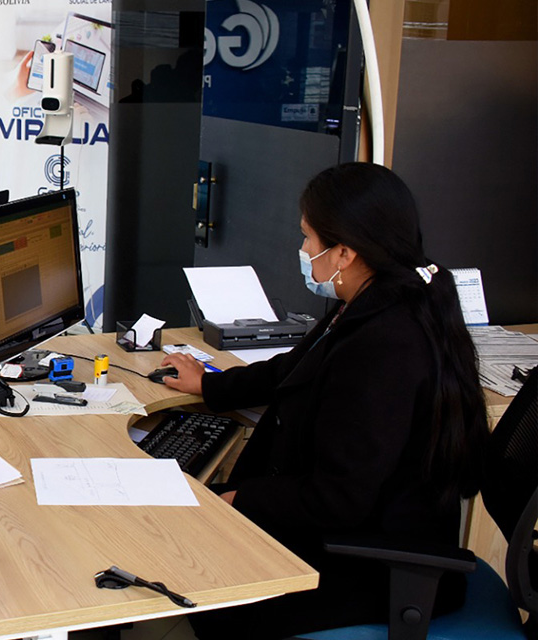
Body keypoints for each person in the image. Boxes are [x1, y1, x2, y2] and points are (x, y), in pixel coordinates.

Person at [161, 163, 488, 639]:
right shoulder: (376, 300)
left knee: (203, 572)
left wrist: (240, 497)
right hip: (357, 529)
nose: (303, 250)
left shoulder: (386, 345)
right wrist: (212, 386)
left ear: (345, 253)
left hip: (370, 564)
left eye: (309, 238)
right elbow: (297, 365)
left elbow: (339, 498)